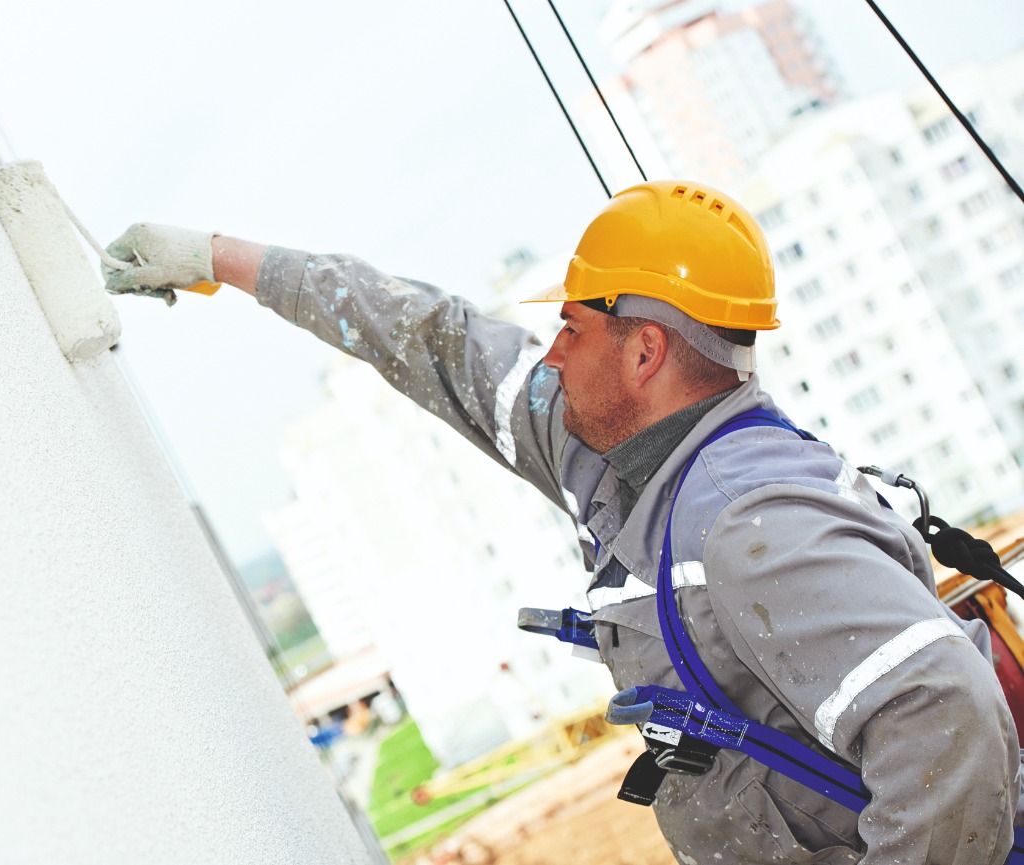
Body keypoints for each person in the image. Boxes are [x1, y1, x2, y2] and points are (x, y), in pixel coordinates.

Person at [105, 180, 1021, 864]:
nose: (548, 351)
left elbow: (948, 722)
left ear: (645, 350)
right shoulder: (617, 456)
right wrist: (219, 258)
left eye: (571, 329)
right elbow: (439, 341)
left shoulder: (748, 519)